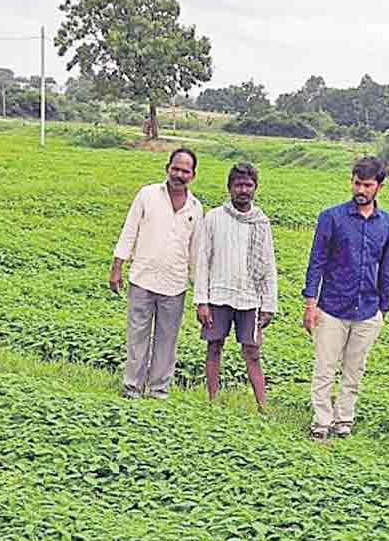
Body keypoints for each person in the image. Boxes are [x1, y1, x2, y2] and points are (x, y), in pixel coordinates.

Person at [302, 157, 389, 440]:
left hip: (368, 309)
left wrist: (383, 307)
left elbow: (387, 267)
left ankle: (344, 419)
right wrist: (310, 303)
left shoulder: (387, 224)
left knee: (354, 370)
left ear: (379, 186)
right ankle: (321, 422)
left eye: (367, 185)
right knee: (324, 369)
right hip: (331, 307)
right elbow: (316, 262)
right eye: (357, 183)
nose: (361, 190)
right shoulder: (331, 217)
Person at [110, 148, 204, 399]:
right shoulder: (147, 195)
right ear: (167, 168)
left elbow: (195, 252)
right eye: (176, 168)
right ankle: (132, 388)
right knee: (137, 335)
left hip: (175, 284)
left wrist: (201, 294)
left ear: (193, 175)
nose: (179, 174)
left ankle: (158, 391)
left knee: (167, 340)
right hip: (142, 278)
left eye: (185, 171)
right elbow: (129, 230)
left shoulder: (196, 208)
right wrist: (117, 265)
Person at [194, 162, 278, 410]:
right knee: (214, 346)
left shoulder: (261, 222)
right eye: (238, 185)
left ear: (255, 188)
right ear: (229, 188)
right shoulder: (213, 218)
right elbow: (203, 261)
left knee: (252, 352)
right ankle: (212, 401)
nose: (243, 190)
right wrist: (202, 301)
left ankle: (263, 406)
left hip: (250, 299)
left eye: (248, 185)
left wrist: (269, 304)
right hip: (218, 295)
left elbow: (268, 264)